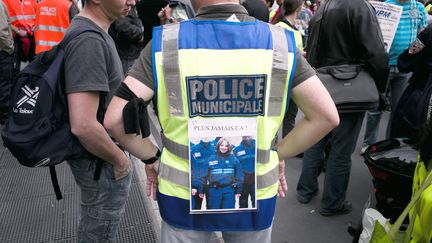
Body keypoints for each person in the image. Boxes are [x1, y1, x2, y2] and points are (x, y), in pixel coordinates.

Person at [104, 0, 339, 241]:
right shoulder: (279, 43)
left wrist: (153, 157)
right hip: (253, 192)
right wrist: (276, 154)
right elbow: (326, 116)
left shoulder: (167, 43)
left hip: (183, 194)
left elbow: (114, 120)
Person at [297, 0, 389, 216]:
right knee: (341, 149)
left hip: (322, 83)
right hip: (350, 86)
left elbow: (313, 51)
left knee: (315, 141)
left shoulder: (324, 6)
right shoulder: (360, 7)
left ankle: (305, 190)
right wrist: (380, 88)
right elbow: (376, 53)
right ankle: (332, 202)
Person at [64, 0, 136, 241]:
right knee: (99, 231)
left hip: (100, 161)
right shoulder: (89, 41)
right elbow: (83, 124)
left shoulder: (95, 32)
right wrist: (120, 161)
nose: (132, 1)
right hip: (101, 162)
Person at [362, 0, 427, 153]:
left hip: (405, 68)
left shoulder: (418, 8)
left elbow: (422, 35)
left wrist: (413, 55)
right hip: (383, 66)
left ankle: (389, 146)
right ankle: (368, 143)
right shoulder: (386, 6)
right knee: (375, 108)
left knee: (398, 110)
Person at [203, 138, 243, 210]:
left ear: (229, 147)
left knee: (228, 213)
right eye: (222, 145)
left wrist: (239, 190)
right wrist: (201, 190)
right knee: (213, 213)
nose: (224, 147)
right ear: (218, 146)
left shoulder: (234, 160)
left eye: (226, 146)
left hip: (229, 190)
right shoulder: (211, 159)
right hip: (214, 190)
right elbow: (203, 176)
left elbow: (239, 176)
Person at [3, 0, 36, 74]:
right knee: (14, 69)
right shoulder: (6, 1)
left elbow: (38, 15)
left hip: (32, 37)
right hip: (15, 38)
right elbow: (3, 20)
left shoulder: (32, 1)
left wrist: (36, 27)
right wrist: (17, 30)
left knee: (35, 69)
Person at [109, 6, 145, 74]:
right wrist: (139, 36)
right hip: (127, 56)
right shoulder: (123, 7)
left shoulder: (131, 7)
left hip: (131, 53)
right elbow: (123, 26)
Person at [190, 138, 215, 210]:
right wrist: (193, 185)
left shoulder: (215, 150)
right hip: (197, 183)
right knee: (196, 208)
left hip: (212, 184)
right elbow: (192, 169)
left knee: (212, 208)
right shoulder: (193, 150)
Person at [0, 0, 14, 124]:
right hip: (2, 51)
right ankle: (4, 115)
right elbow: (2, 31)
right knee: (4, 83)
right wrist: (10, 48)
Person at [233, 136, 256, 208]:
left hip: (256, 182)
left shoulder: (258, 147)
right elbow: (234, 168)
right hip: (243, 183)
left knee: (256, 204)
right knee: (243, 204)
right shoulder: (236, 150)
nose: (246, 136)